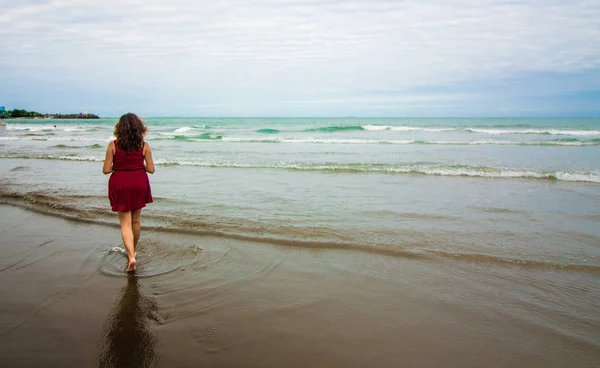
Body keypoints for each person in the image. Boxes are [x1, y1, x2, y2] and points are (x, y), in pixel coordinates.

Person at [103, 113, 155, 272]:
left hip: (120, 182)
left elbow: (106, 170)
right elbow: (151, 169)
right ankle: (133, 251)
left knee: (125, 223)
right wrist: (138, 166)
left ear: (120, 128)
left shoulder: (113, 145)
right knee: (136, 221)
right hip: (139, 181)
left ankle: (131, 256)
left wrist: (119, 166)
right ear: (139, 128)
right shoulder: (144, 145)